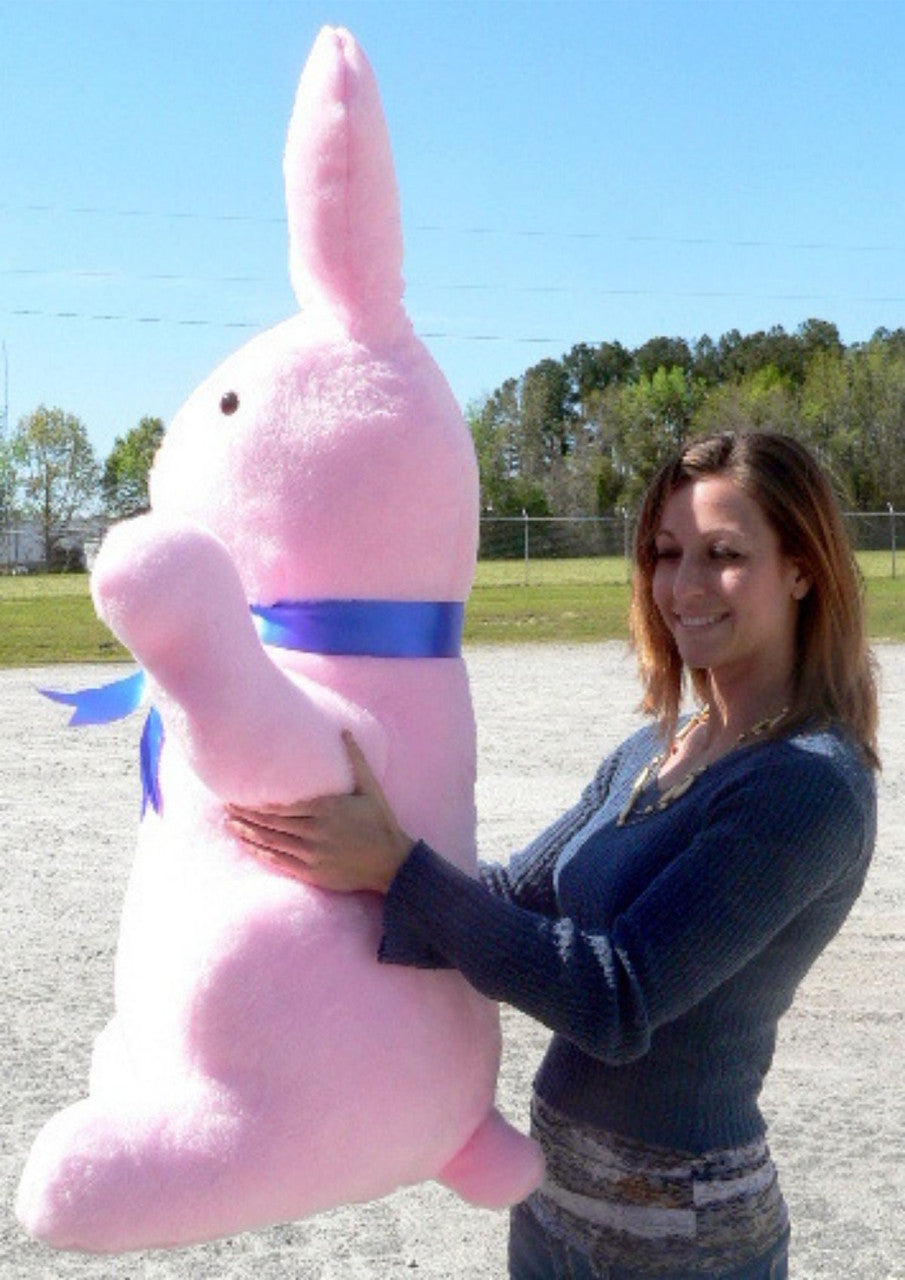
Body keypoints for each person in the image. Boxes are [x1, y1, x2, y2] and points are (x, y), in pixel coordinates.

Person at [227, 431, 878, 1279]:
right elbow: (507, 899)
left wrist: (393, 866)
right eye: (664, 552)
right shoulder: (651, 749)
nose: (683, 585)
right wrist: (323, 859)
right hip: (553, 1207)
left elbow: (616, 1000)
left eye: (723, 555)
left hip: (681, 1235)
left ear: (802, 569)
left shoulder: (804, 784)